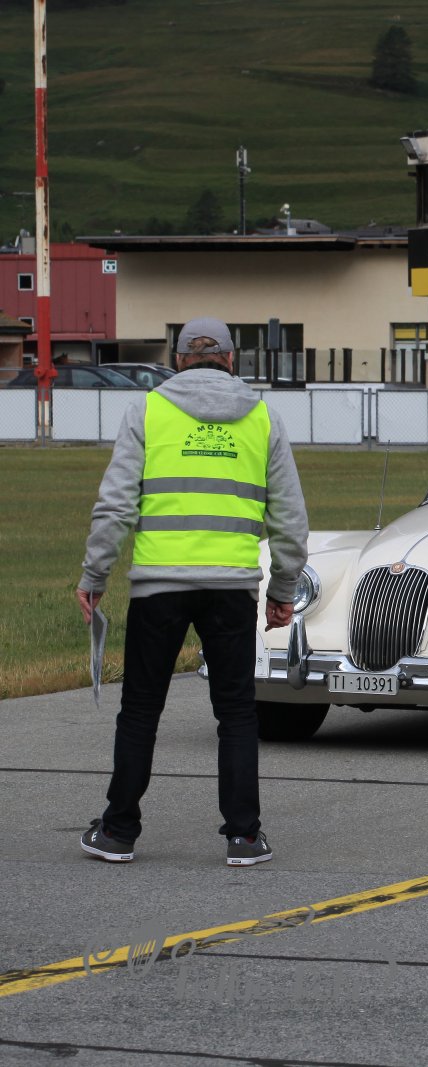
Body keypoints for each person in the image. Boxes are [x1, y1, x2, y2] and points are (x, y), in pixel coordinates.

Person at [76, 317, 308, 867]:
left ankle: (118, 831)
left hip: (159, 586)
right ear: (230, 359)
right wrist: (283, 588)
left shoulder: (147, 410)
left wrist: (94, 575)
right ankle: (244, 837)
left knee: (140, 710)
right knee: (237, 713)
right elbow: (289, 518)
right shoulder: (263, 416)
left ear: (177, 360)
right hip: (232, 588)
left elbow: (115, 506)